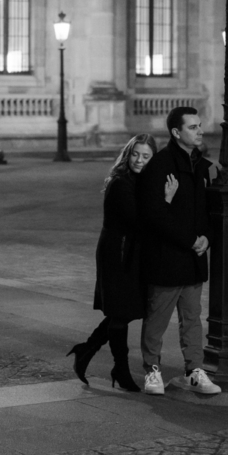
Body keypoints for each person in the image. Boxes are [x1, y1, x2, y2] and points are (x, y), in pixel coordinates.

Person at [136, 106, 221, 396]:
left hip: (194, 255)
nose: (200, 131)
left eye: (199, 126)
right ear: (176, 132)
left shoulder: (202, 166)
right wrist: (191, 239)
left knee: (192, 318)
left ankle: (194, 371)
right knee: (158, 318)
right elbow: (155, 215)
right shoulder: (159, 166)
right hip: (166, 255)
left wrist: (207, 238)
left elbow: (207, 212)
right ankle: (152, 370)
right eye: (193, 127)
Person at [66, 134, 161, 392]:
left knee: (124, 311)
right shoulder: (121, 182)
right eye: (135, 154)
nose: (139, 160)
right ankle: (120, 368)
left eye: (146, 156)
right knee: (121, 312)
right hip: (117, 254)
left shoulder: (141, 181)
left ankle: (87, 349)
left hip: (129, 252)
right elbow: (139, 222)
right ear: (127, 154)